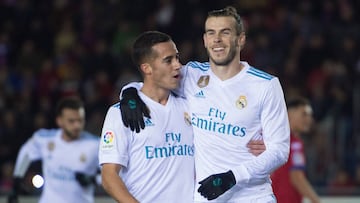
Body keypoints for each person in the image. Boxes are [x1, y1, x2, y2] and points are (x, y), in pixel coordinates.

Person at [119, 6, 290, 203]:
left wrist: (233, 176)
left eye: (225, 33)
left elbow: (279, 151)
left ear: (240, 39)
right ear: (205, 40)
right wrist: (130, 92)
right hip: (206, 198)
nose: (217, 39)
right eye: (211, 33)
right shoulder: (192, 75)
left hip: (253, 197)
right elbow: (154, 78)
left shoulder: (265, 85)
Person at [98, 31, 194, 203]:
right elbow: (109, 176)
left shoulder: (190, 106)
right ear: (147, 68)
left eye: (177, 58)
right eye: (168, 60)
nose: (178, 65)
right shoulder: (121, 112)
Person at [7, 97, 100, 203]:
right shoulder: (44, 139)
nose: (77, 125)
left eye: (80, 120)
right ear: (59, 121)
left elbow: (112, 173)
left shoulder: (95, 144)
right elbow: (26, 154)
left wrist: (93, 179)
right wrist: (16, 182)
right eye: (71, 121)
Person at [271, 97, 321, 203]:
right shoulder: (295, 143)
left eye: (310, 115)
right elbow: (297, 177)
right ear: (289, 113)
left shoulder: (271, 137)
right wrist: (316, 201)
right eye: (304, 114)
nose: (309, 119)